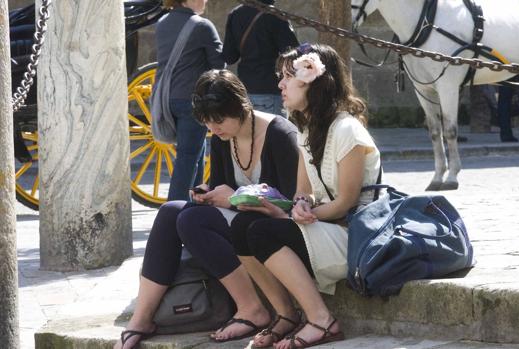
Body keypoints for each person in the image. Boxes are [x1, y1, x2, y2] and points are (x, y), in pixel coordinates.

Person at [114, 69, 299, 349]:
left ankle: (252, 308)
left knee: (191, 220)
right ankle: (141, 319)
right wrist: (207, 194)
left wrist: (234, 198)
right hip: (241, 225)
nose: (214, 128)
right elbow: (220, 187)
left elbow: (291, 203)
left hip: (272, 230)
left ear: (241, 106)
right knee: (171, 212)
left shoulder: (280, 134)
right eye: (208, 122)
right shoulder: (224, 137)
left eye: (219, 120)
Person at [232, 43, 381, 349]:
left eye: (288, 76)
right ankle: (286, 315)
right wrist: (300, 205)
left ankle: (322, 320)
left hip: (355, 236)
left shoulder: (347, 130)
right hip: (328, 225)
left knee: (263, 233)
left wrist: (303, 215)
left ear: (313, 82)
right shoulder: (308, 129)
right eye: (281, 76)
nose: (280, 84)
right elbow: (305, 191)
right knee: (240, 226)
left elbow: (347, 203)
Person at [156, 0, 225, 201]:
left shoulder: (162, 23)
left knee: (196, 153)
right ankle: (174, 208)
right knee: (187, 157)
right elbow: (219, 65)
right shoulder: (202, 25)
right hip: (193, 101)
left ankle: (195, 202)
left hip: (167, 99)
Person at [222, 0, 299, 115]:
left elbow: (229, 57)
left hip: (244, 90)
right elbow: (293, 54)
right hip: (270, 89)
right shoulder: (274, 15)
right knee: (272, 132)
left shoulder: (235, 14)